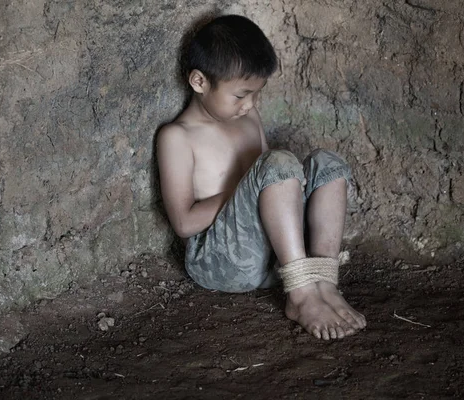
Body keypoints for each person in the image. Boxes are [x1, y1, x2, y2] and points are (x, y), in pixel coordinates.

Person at [157, 14, 366, 340]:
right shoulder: (177, 137)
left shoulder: (249, 115)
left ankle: (324, 282)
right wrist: (246, 186)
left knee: (328, 163)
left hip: (275, 256)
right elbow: (183, 223)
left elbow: (276, 181)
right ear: (199, 82)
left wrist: (266, 182)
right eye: (241, 95)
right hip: (221, 262)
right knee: (278, 162)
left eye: (257, 93)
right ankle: (300, 296)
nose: (251, 104)